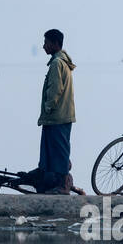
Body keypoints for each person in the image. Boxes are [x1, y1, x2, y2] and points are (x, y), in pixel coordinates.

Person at [33, 28, 84, 195]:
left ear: (55, 44)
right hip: (63, 114)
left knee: (59, 150)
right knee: (57, 149)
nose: (43, 46)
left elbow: (55, 89)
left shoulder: (56, 63)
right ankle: (58, 181)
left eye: (46, 42)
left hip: (57, 116)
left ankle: (63, 185)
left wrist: (48, 107)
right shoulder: (62, 62)